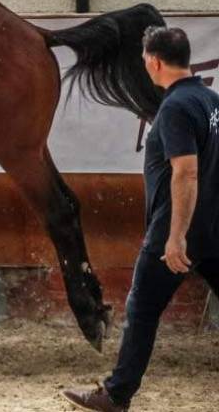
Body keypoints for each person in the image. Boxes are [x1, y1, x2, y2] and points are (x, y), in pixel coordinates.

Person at [63, 26, 219, 411]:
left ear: (154, 61)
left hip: (176, 231)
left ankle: (116, 395)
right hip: (214, 229)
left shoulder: (176, 107)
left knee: (142, 310)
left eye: (144, 60)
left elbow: (186, 172)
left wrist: (176, 236)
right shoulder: (212, 102)